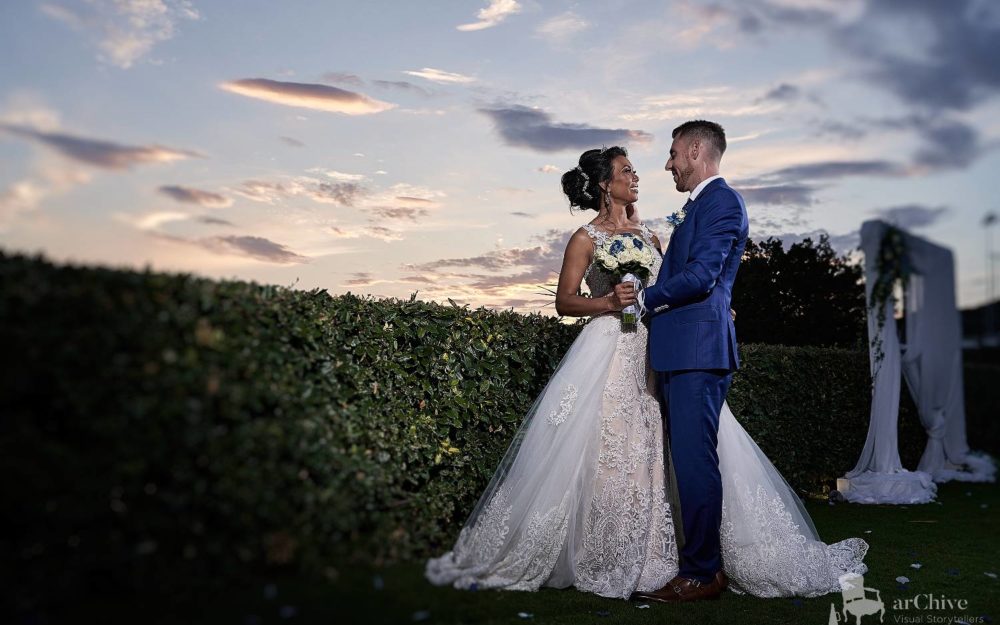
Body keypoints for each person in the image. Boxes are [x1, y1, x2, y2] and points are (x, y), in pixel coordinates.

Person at [425, 140, 868, 601]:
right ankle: (608, 548)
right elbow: (564, 302)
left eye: (635, 170)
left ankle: (671, 551)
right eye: (626, 171)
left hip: (657, 349)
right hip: (610, 349)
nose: (636, 177)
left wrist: (716, 307)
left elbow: (682, 286)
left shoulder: (653, 237)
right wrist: (608, 302)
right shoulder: (585, 239)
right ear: (605, 184)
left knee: (659, 447)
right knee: (612, 446)